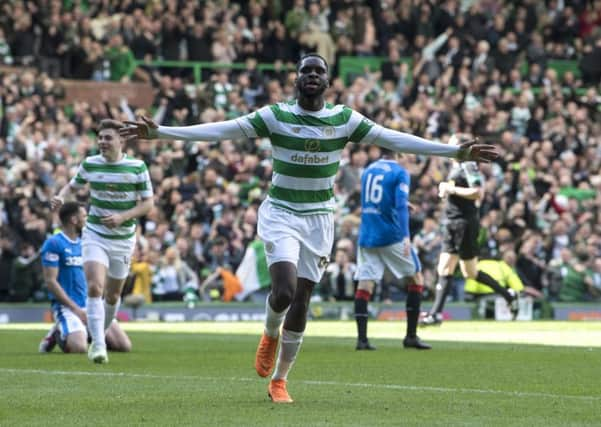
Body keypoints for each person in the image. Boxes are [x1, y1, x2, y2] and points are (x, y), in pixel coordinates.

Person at [120, 54, 497, 403]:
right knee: (282, 292)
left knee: (302, 300)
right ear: (297, 80)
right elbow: (223, 131)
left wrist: (454, 153)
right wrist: (162, 133)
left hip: (318, 219)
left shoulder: (344, 120)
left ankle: (280, 380)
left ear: (328, 82)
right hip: (281, 212)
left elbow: (393, 138)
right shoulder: (275, 117)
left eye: (319, 71)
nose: (312, 75)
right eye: (306, 71)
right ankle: (269, 334)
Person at [51, 119, 154, 363]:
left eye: (108, 138)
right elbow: (72, 186)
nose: (103, 142)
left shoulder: (137, 167)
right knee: (95, 287)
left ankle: (97, 333)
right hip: (95, 234)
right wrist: (60, 197)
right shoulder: (90, 164)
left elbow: (148, 204)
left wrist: (122, 217)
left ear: (122, 140)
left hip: (123, 238)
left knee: (112, 295)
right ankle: (98, 345)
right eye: (100, 138)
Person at [421, 134, 517, 327]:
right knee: (455, 270)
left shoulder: (468, 165)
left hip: (464, 223)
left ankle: (436, 314)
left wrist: (451, 190)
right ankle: (508, 295)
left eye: (452, 145)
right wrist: (446, 191)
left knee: (461, 271)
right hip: (453, 222)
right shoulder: (456, 167)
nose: (448, 149)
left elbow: (478, 192)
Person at [354, 148, 431, 351]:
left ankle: (362, 340)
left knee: (365, 284)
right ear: (399, 153)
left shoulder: (369, 169)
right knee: (416, 278)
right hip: (390, 234)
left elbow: (373, 200)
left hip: (367, 233)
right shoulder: (399, 172)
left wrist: (404, 204)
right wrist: (406, 236)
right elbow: (397, 206)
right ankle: (411, 336)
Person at [38, 202, 131, 354]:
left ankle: (85, 332)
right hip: (68, 307)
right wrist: (75, 309)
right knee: (79, 348)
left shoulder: (88, 244)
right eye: (84, 217)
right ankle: (56, 333)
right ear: (74, 220)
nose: (87, 220)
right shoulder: (54, 243)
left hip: (91, 304)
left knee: (123, 345)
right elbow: (50, 281)